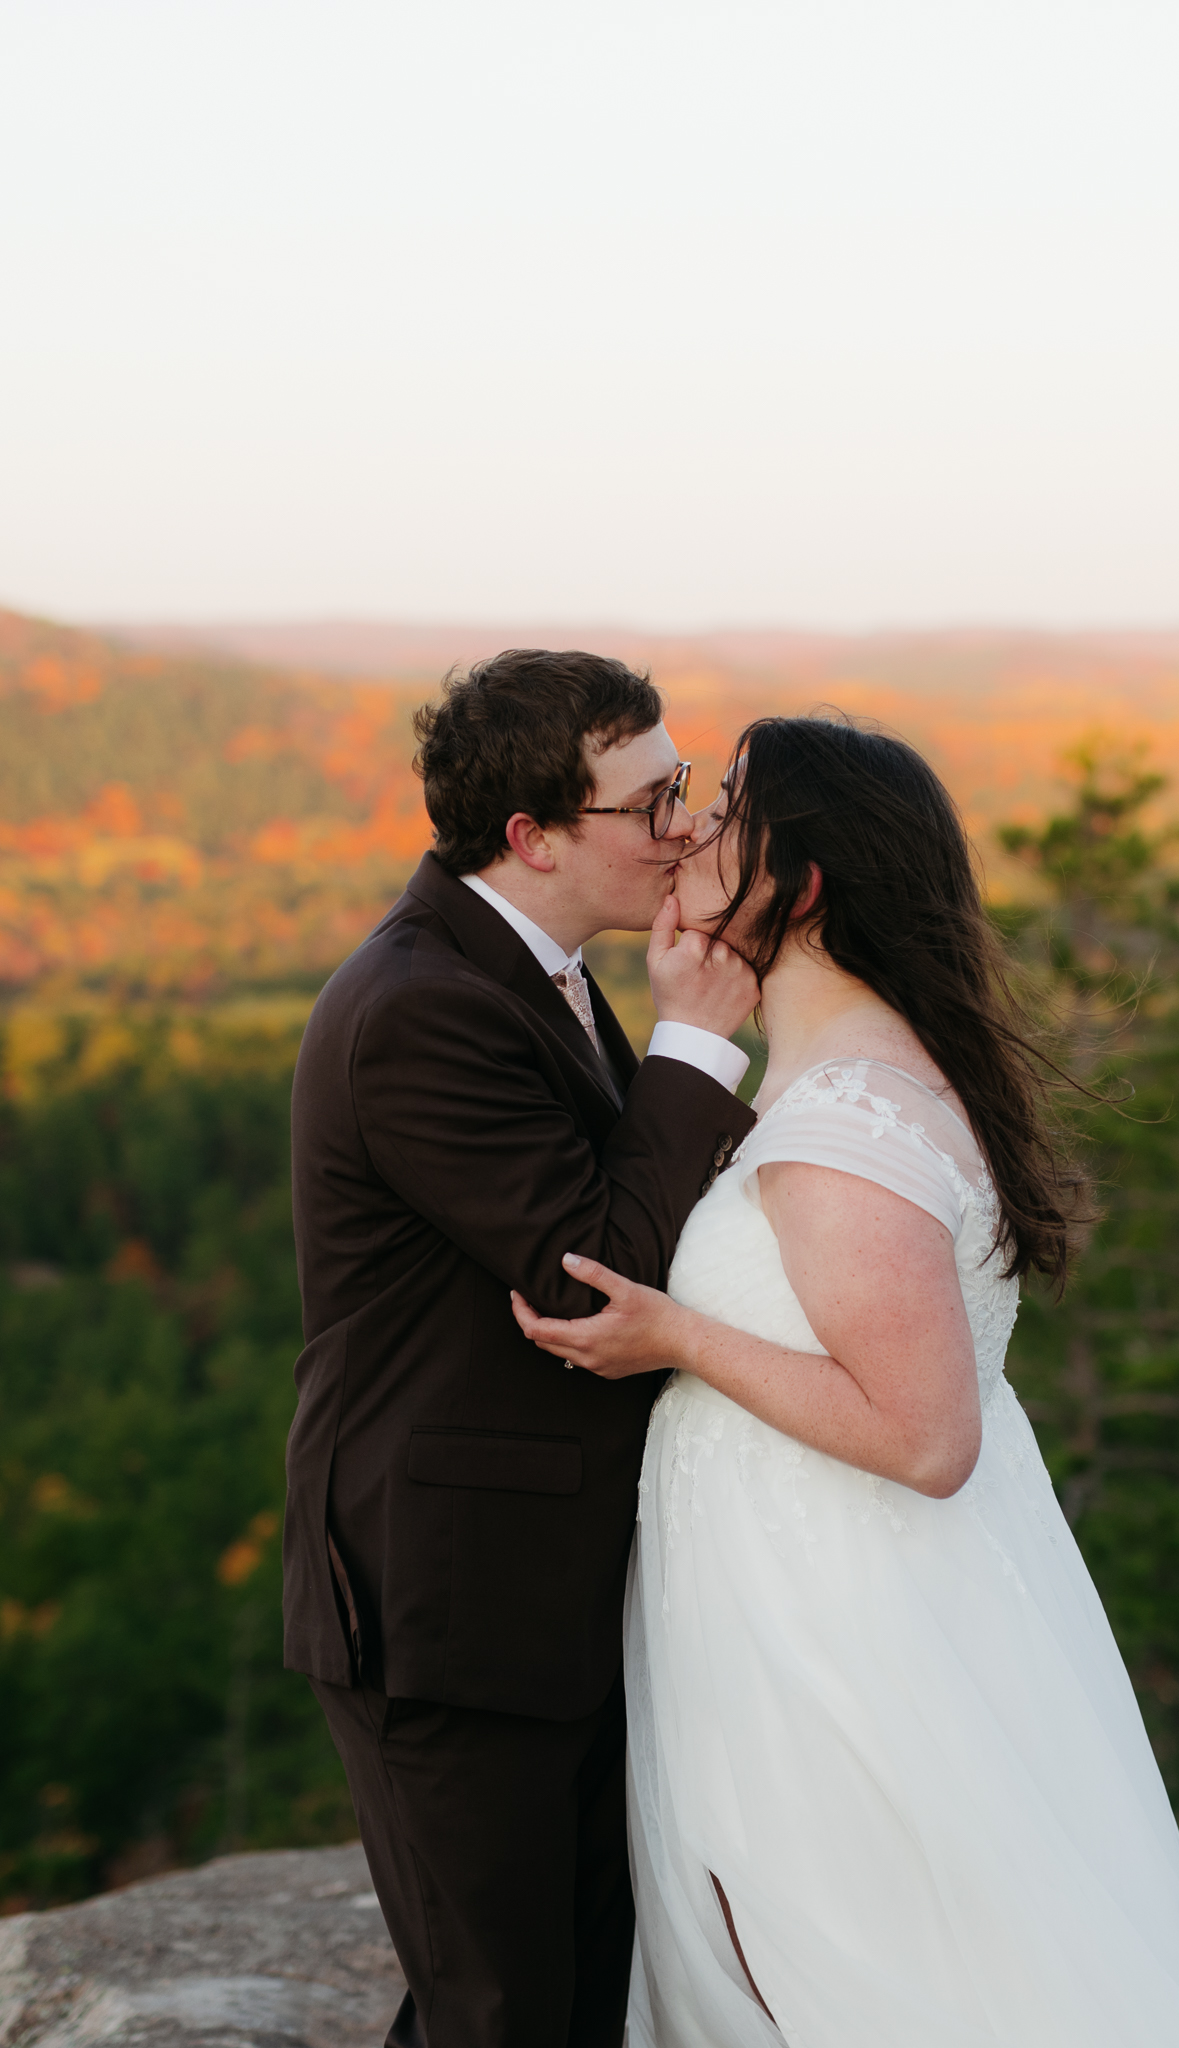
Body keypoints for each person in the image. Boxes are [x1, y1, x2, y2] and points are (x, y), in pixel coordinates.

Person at [513, 714, 1179, 2048]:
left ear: (798, 885)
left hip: (840, 1628)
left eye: (726, 809)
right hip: (818, 1595)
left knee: (863, 1972)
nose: (686, 828)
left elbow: (923, 1437)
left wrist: (675, 1336)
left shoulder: (840, 1129)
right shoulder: (836, 1077)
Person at [283, 649, 759, 2048]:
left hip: (543, 1594)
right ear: (533, 838)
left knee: (559, 1994)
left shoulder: (528, 969)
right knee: (502, 2010)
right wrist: (693, 1043)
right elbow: (589, 1269)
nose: (683, 825)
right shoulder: (420, 1010)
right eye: (651, 801)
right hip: (450, 1609)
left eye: (682, 786)